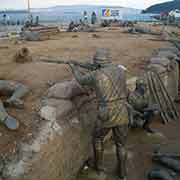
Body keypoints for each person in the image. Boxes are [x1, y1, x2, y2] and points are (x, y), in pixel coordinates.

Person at [69, 48, 129, 180]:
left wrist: (73, 67)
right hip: (123, 110)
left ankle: (99, 166)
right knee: (121, 144)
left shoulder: (96, 75)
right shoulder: (120, 70)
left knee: (97, 138)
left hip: (106, 112)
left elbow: (80, 80)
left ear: (97, 62)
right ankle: (123, 174)